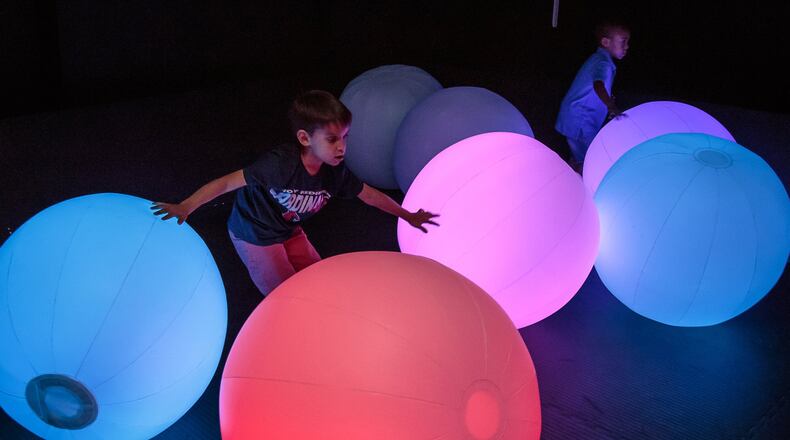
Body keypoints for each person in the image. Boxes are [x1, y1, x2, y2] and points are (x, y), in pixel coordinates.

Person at [152, 90, 439, 296]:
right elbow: (227, 183)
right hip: (255, 234)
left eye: (345, 138)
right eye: (332, 139)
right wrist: (186, 206)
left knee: (317, 276)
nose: (342, 147)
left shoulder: (334, 171)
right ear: (305, 138)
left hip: (288, 229)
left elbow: (369, 195)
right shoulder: (279, 165)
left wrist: (407, 215)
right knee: (285, 292)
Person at [555, 20, 631, 173]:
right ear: (606, 42)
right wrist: (610, 105)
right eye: (623, 41)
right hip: (581, 119)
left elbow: (597, 86)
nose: (627, 46)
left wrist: (608, 100)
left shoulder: (600, 60)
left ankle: (573, 174)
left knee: (584, 157)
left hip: (579, 118)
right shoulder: (602, 62)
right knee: (591, 159)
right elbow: (598, 85)